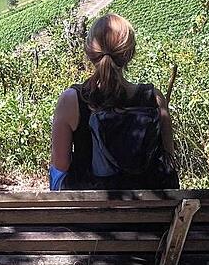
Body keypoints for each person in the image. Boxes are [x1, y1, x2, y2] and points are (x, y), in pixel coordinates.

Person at [49, 14, 178, 191]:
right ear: (130, 53)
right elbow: (168, 156)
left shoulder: (71, 100)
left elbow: (60, 165)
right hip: (148, 214)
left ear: (89, 52)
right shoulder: (154, 98)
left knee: (57, 176)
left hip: (91, 214)